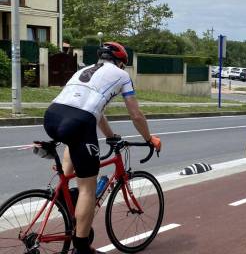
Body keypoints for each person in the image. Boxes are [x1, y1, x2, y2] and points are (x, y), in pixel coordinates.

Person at [43, 42, 162, 254]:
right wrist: (149, 137)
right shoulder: (121, 75)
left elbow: (96, 112)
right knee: (88, 188)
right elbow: (135, 114)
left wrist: (110, 136)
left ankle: (64, 195)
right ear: (121, 62)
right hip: (79, 121)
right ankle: (81, 247)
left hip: (52, 116)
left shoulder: (85, 69)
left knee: (75, 142)